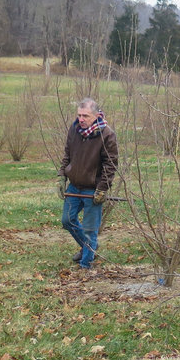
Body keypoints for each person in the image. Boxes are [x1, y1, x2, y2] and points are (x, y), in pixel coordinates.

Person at [57, 98, 119, 269]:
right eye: (79, 115)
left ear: (97, 116)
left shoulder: (107, 134)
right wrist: (62, 176)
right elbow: (67, 154)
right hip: (74, 186)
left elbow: (110, 164)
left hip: (93, 190)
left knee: (90, 229)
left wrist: (102, 188)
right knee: (67, 220)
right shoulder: (75, 129)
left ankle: (86, 264)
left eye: (85, 116)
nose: (81, 119)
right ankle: (89, 247)